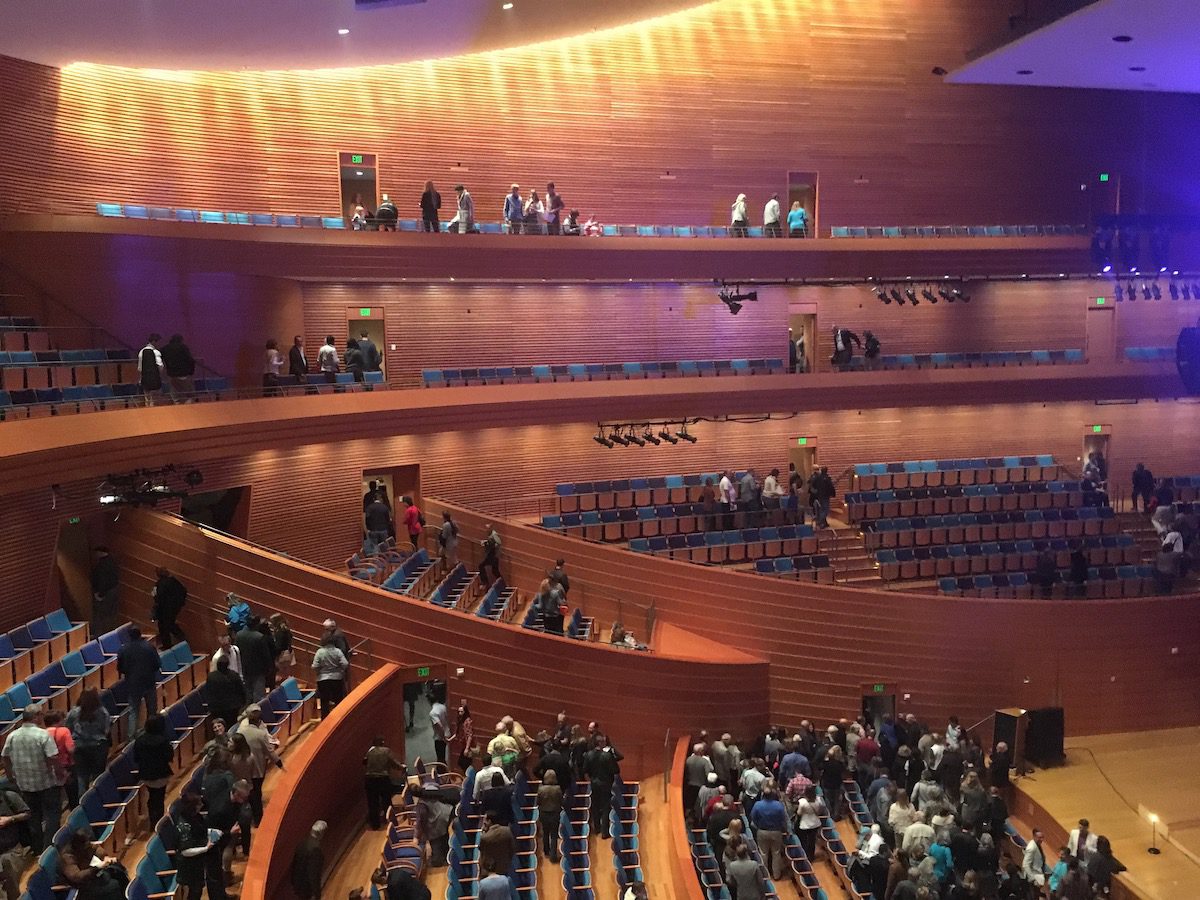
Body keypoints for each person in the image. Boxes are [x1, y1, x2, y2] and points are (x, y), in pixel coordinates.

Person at [1, 705, 59, 853]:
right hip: (46, 783)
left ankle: (38, 849)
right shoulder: (43, 735)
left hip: (25, 784)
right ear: (37, 716)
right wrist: (60, 773)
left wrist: (9, 775)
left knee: (34, 817)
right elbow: (53, 757)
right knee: (52, 815)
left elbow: (5, 756)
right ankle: (50, 849)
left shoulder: (12, 736)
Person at [205, 778, 252, 899]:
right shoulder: (220, 809)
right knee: (214, 875)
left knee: (219, 874)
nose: (244, 801)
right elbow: (211, 833)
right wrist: (229, 832)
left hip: (222, 839)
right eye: (243, 798)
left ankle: (223, 896)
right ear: (236, 794)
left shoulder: (232, 798)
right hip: (212, 845)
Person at [240, 706, 282, 825]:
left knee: (250, 792)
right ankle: (258, 820)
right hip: (257, 767)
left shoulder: (241, 728)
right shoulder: (258, 733)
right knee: (256, 793)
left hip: (244, 767)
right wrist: (279, 763)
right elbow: (269, 751)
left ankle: (252, 817)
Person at [65, 688, 110, 800]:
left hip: (79, 748)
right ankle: (98, 799)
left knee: (81, 777)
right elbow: (106, 730)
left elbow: (68, 729)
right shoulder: (103, 712)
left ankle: (82, 801)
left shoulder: (74, 712)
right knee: (98, 777)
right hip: (98, 747)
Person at [117, 626, 161, 735]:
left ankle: (131, 738)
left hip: (133, 685)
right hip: (149, 682)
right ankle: (153, 734)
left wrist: (129, 674)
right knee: (152, 712)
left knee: (134, 712)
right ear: (140, 634)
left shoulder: (124, 649)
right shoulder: (149, 647)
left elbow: (120, 668)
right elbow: (157, 664)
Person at [59, 828, 125, 900]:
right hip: (81, 886)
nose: (88, 846)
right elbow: (77, 876)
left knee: (117, 869)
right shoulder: (67, 857)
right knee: (113, 885)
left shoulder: (84, 845)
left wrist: (105, 857)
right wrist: (97, 867)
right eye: (86, 845)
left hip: (91, 874)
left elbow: (95, 848)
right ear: (79, 845)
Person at [172, 790, 214, 900]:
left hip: (197, 862)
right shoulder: (184, 826)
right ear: (192, 807)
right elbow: (185, 851)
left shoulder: (196, 816)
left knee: (197, 890)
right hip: (189, 866)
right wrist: (205, 848)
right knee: (194, 893)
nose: (201, 805)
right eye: (199, 804)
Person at [133, 714, 173, 826]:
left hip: (147, 775)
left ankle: (153, 821)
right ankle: (158, 823)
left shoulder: (140, 740)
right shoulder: (163, 740)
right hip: (161, 774)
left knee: (152, 796)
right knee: (159, 798)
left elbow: (136, 758)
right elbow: (169, 756)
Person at [584, 734, 622, 837]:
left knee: (595, 806)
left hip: (594, 783)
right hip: (605, 783)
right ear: (600, 743)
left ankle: (597, 828)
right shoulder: (607, 756)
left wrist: (592, 776)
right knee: (605, 806)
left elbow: (585, 770)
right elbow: (616, 770)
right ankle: (605, 832)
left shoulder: (588, 755)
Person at [363, 736, 404, 830]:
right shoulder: (386, 751)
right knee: (386, 800)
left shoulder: (370, 752)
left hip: (369, 779)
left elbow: (364, 762)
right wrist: (401, 767)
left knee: (372, 803)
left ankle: (375, 825)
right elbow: (393, 763)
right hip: (382, 778)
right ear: (382, 743)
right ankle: (389, 821)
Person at [750, 788, 787, 880]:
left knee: (763, 853)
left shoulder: (758, 805)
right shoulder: (779, 805)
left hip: (762, 831)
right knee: (776, 853)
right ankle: (776, 875)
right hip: (776, 831)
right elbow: (783, 819)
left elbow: (753, 818)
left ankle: (765, 874)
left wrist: (758, 826)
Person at [205, 657, 247, 738]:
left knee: (219, 729)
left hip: (217, 709)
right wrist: (243, 703)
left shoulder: (211, 677)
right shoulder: (234, 675)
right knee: (232, 729)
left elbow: (208, 692)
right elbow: (241, 691)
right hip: (233, 708)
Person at [235, 616, 273, 702]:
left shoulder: (239, 635)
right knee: (259, 695)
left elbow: (236, 651)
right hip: (258, 670)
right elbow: (265, 655)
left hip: (244, 668)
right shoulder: (259, 637)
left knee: (248, 693)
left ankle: (248, 712)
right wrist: (269, 667)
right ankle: (257, 714)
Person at [312, 634, 349, 718]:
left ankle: (325, 721)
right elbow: (345, 663)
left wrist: (319, 672)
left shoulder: (320, 652)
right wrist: (340, 671)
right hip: (337, 678)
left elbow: (315, 666)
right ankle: (340, 718)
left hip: (323, 679)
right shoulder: (338, 651)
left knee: (324, 701)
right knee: (338, 700)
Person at [151, 567, 188, 649]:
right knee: (171, 624)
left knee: (163, 627)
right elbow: (183, 591)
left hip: (164, 609)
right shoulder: (174, 581)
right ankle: (182, 638)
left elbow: (157, 597)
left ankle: (167, 645)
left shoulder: (159, 584)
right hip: (174, 608)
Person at [289, 820, 327, 900]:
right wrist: (316, 893)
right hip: (307, 888)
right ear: (321, 834)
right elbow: (313, 874)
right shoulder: (316, 850)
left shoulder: (302, 843)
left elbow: (294, 864)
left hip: (298, 884)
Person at [90, 546, 120, 635]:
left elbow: (103, 580)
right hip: (113, 590)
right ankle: (111, 634)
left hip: (106, 593)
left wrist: (100, 594)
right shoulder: (112, 562)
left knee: (102, 615)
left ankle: (101, 635)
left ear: (100, 552)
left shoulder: (102, 565)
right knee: (112, 615)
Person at [161, 334, 197, 402]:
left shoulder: (165, 348)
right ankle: (188, 406)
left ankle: (177, 405)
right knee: (190, 395)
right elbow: (190, 360)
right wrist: (191, 371)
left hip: (171, 374)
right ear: (181, 340)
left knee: (175, 394)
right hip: (184, 373)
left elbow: (159, 358)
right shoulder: (183, 347)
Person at [478, 811, 516, 876]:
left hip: (489, 871)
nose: (483, 823)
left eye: (484, 821)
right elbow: (512, 849)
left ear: (489, 821)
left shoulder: (484, 837)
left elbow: (482, 856)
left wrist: (484, 831)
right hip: (505, 868)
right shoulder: (507, 831)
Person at [138, 333, 164, 405]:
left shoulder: (141, 352)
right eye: (159, 342)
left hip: (145, 380)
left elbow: (140, 368)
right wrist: (159, 376)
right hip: (155, 380)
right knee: (155, 401)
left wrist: (140, 379)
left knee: (147, 400)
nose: (159, 344)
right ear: (154, 341)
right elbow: (160, 366)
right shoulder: (156, 352)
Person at [430, 691, 449, 763]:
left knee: (440, 757)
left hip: (439, 737)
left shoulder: (433, 712)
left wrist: (443, 737)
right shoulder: (443, 707)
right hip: (447, 732)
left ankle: (442, 771)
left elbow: (439, 725)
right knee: (443, 755)